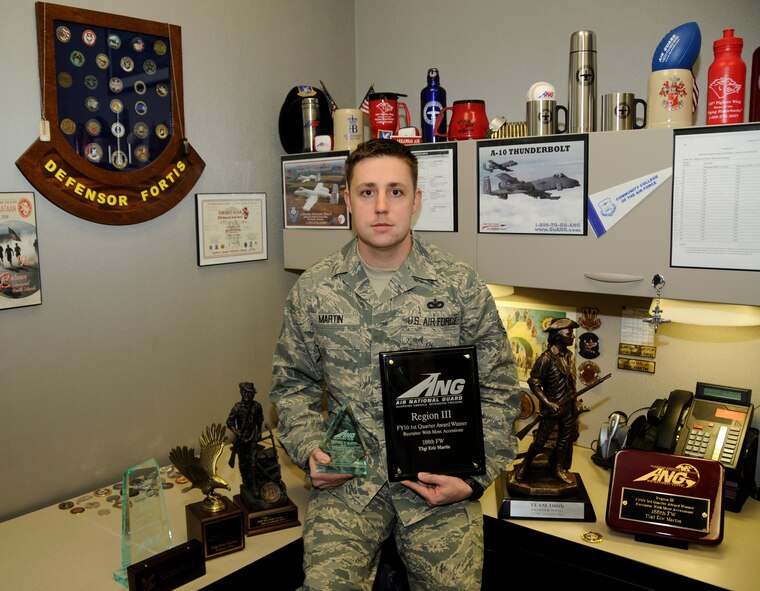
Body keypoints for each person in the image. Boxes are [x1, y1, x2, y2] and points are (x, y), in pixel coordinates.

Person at [270, 138, 521, 590]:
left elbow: (499, 387)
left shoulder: (459, 286)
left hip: (438, 480)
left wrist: (474, 478)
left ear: (416, 200)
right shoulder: (315, 289)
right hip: (349, 478)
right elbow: (293, 384)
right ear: (347, 201)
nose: (381, 206)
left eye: (396, 191)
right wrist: (311, 450)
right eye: (367, 192)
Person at [514, 317, 580, 485]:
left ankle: (557, 469)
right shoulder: (546, 358)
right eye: (569, 333)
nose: (572, 337)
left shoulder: (570, 356)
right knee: (539, 442)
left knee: (564, 441)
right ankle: (524, 466)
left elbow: (571, 382)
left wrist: (575, 401)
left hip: (568, 407)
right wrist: (548, 402)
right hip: (552, 408)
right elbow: (534, 383)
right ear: (558, 336)